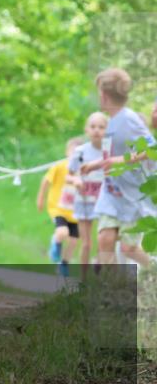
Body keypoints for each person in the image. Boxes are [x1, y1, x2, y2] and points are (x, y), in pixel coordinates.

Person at [83, 68, 156, 267]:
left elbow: (152, 149)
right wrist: (95, 164)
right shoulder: (111, 122)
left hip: (131, 195)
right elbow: (111, 158)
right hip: (111, 192)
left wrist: (122, 161)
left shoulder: (128, 119)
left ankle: (153, 271)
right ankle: (113, 289)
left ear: (105, 96)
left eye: (99, 92)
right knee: (104, 239)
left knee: (128, 248)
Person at [67, 112, 108, 275]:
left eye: (101, 127)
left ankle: (98, 265)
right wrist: (75, 180)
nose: (96, 130)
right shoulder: (80, 151)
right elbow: (68, 174)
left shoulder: (110, 151)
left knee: (103, 240)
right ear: (86, 130)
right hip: (84, 200)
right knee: (86, 243)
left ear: (107, 130)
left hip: (105, 201)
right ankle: (83, 278)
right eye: (93, 126)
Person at [37, 137, 82, 277]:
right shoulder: (59, 167)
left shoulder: (84, 170)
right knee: (62, 232)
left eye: (79, 153)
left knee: (73, 241)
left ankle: (64, 264)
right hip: (58, 208)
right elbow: (45, 181)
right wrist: (41, 198)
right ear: (67, 152)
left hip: (75, 212)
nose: (75, 155)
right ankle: (55, 242)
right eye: (73, 151)